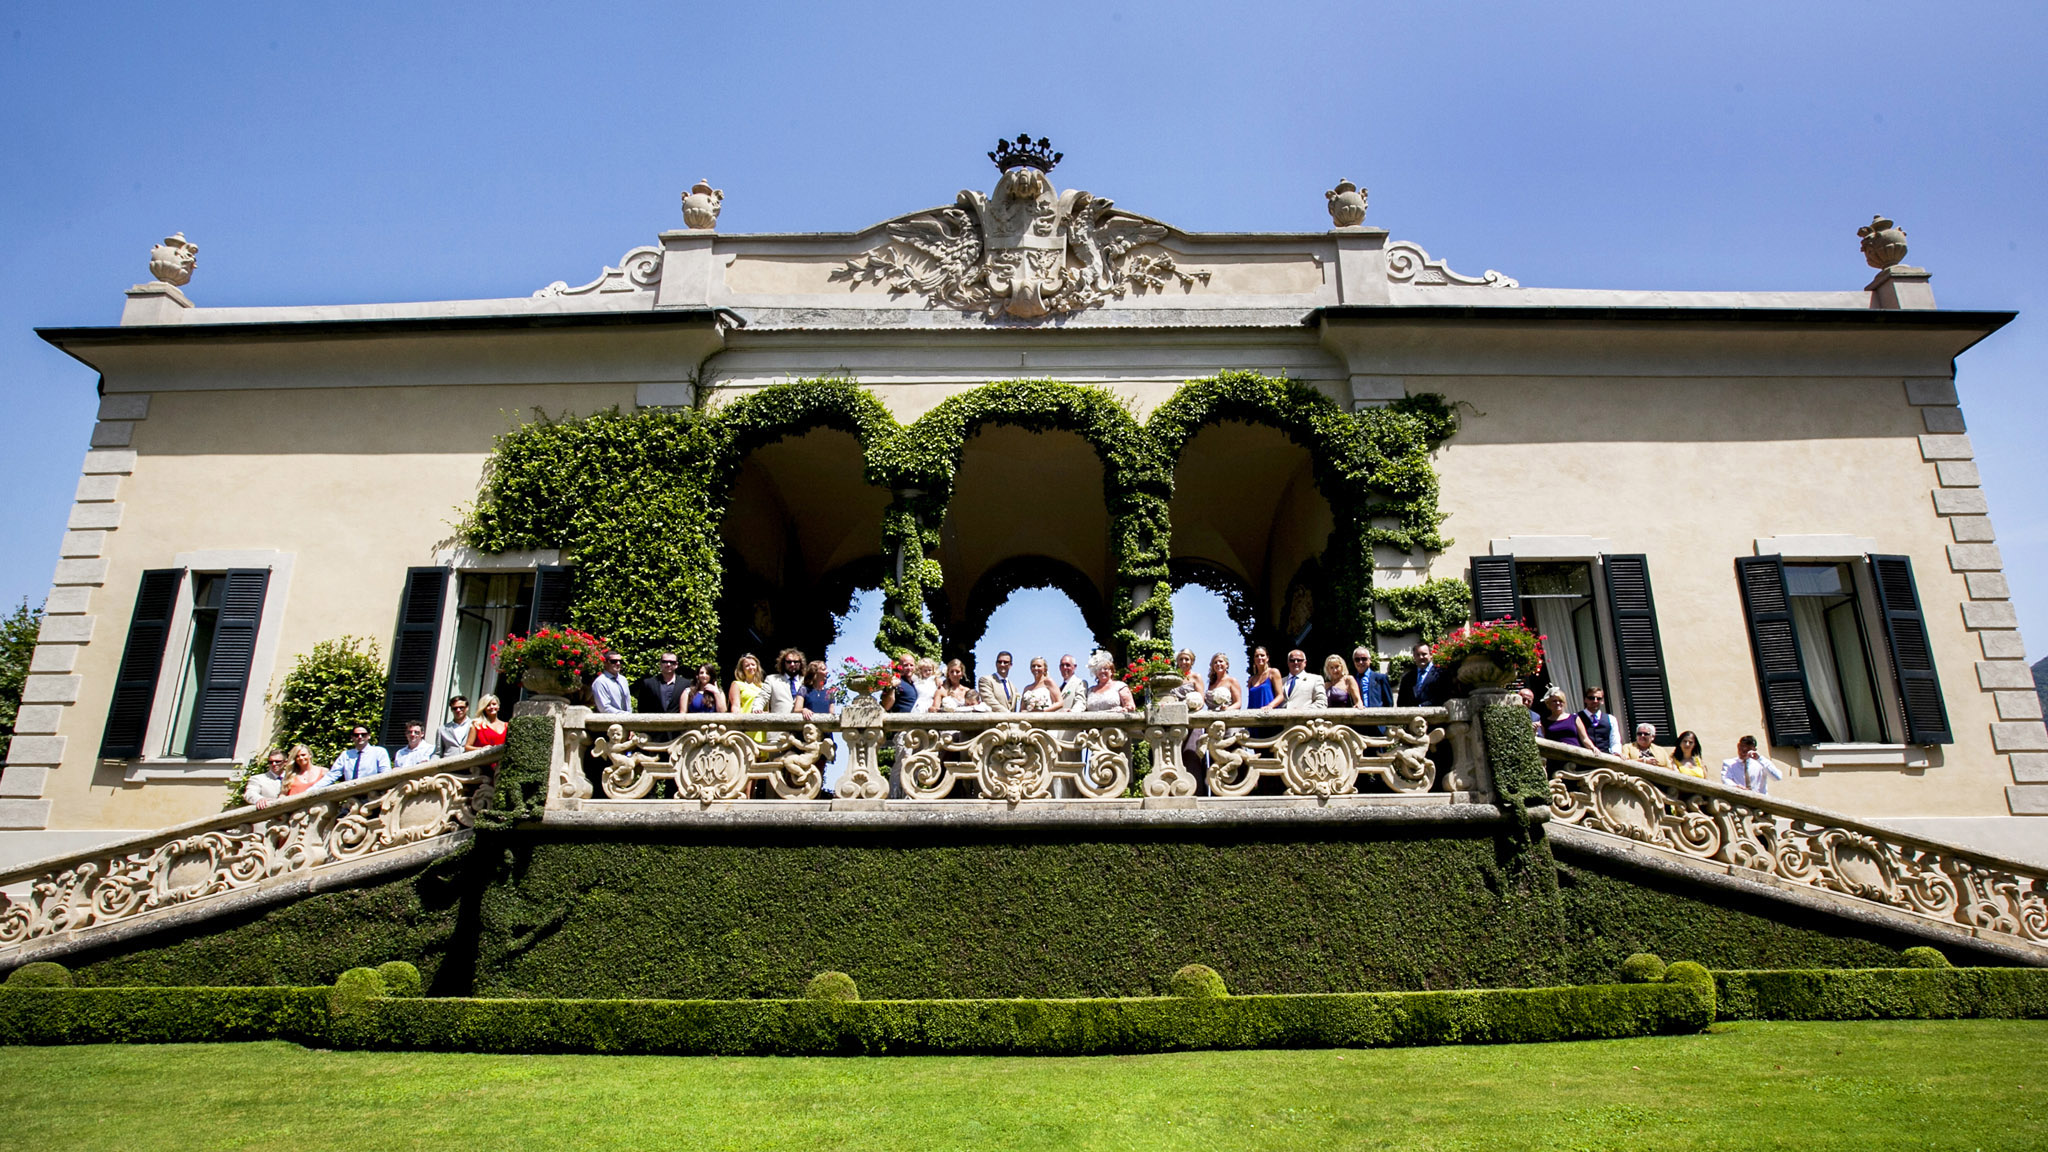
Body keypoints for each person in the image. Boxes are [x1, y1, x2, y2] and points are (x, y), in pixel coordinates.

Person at [321, 724, 393, 786]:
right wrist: (312, 790)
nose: (360, 737)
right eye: (356, 735)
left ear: (369, 736)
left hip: (372, 793)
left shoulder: (379, 752)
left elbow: (385, 773)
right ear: (352, 737)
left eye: (363, 734)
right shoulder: (346, 755)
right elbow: (332, 775)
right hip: (351, 795)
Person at [1577, 687, 1623, 755]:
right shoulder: (1576, 717)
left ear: (1602, 701)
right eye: (1591, 698)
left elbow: (1615, 741)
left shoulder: (1611, 719)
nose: (1595, 701)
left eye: (1599, 698)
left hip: (1606, 758)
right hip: (1582, 758)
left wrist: (1616, 753)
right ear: (1585, 700)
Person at [765, 647, 807, 715]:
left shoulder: (806, 681)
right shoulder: (771, 679)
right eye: (789, 662)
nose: (792, 664)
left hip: (802, 723)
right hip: (779, 723)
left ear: (800, 663)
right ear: (783, 663)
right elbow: (762, 697)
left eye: (795, 662)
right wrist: (757, 709)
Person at [1243, 646, 1282, 712]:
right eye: (1257, 656)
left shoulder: (1273, 672)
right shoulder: (1251, 680)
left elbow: (1280, 696)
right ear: (1254, 659)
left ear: (1267, 658)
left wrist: (1270, 706)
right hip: (1254, 716)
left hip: (1269, 714)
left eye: (1262, 655)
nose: (1259, 658)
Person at [881, 650, 919, 715]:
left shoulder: (917, 683)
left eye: (911, 665)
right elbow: (887, 706)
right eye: (905, 665)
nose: (909, 668)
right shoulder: (894, 681)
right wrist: (892, 687)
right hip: (901, 721)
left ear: (915, 667)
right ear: (900, 667)